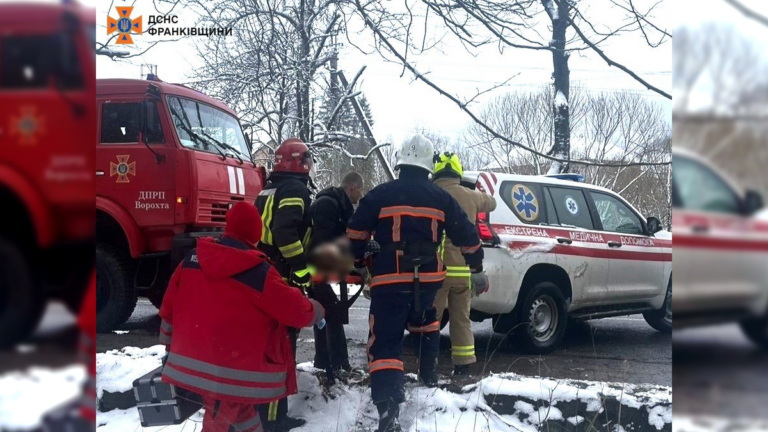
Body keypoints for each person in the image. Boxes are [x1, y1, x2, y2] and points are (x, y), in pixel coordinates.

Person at [346, 135, 490, 432]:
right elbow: (467, 235)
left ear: (400, 163)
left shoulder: (381, 194)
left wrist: (360, 263)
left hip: (389, 280)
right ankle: (428, 381)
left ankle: (388, 413)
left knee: (385, 342)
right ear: (428, 166)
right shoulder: (441, 198)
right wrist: (476, 267)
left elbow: (355, 233)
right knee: (427, 323)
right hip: (428, 280)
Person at [158, 202, 325, 432]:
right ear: (255, 234)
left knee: (242, 414)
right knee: (220, 418)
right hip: (232, 371)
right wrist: (317, 309)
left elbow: (168, 309)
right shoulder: (257, 270)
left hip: (196, 359)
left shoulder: (192, 259)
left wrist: (168, 347)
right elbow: (294, 310)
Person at [254, 138, 314, 431]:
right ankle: (274, 418)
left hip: (262, 274)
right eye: (307, 160)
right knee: (281, 349)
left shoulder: (269, 187)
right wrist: (301, 270)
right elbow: (285, 234)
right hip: (281, 277)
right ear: (300, 162)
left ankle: (263, 412)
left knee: (266, 348)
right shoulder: (295, 189)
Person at [432, 152, 496, 376]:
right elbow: (492, 203)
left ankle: (429, 364)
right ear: (458, 172)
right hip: (465, 272)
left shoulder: (433, 194)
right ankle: (464, 364)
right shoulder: (470, 195)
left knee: (432, 321)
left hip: (437, 273)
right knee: (461, 319)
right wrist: (473, 192)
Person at [308, 172, 365, 383]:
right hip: (322, 268)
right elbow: (328, 239)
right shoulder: (328, 204)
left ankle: (330, 363)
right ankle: (333, 365)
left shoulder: (338, 204)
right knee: (330, 314)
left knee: (330, 315)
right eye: (361, 189)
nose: (361, 193)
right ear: (352, 188)